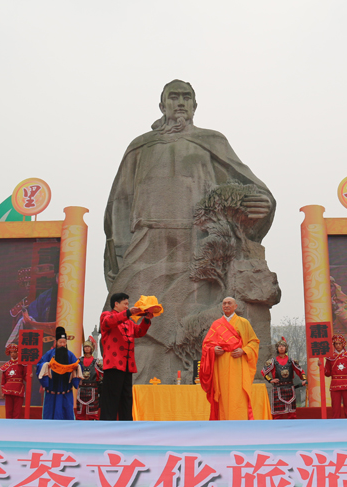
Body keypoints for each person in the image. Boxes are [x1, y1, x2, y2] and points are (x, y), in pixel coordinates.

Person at [104, 80, 279, 384]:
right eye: (174, 97)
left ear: (195, 106)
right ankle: (141, 392)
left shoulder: (211, 141)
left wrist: (261, 203)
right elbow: (119, 206)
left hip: (199, 245)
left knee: (196, 327)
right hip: (146, 244)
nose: (180, 102)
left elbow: (250, 186)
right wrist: (120, 253)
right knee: (141, 326)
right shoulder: (141, 146)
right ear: (162, 105)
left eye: (187, 97)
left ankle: (201, 381)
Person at [200, 297, 260, 420]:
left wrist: (243, 350)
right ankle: (223, 422)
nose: (226, 305)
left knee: (238, 394)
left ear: (235, 306)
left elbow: (254, 341)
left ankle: (240, 422)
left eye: (229, 303)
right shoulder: (216, 324)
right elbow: (206, 345)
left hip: (238, 364)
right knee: (223, 394)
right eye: (224, 303)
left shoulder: (243, 322)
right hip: (221, 366)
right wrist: (213, 350)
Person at [100, 293, 153, 421]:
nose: (127, 306)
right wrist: (128, 313)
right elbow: (109, 322)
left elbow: (139, 332)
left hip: (127, 366)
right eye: (125, 304)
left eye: (127, 304)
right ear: (116, 304)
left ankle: (127, 424)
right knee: (111, 398)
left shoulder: (129, 322)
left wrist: (146, 319)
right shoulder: (106, 315)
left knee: (126, 398)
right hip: (113, 364)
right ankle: (107, 425)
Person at [37, 327, 81, 420]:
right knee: (50, 417)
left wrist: (77, 367)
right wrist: (46, 365)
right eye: (60, 342)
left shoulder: (70, 355)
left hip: (66, 392)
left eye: (64, 342)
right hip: (52, 392)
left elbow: (77, 365)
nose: (62, 344)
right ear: (56, 342)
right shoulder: (49, 354)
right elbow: (39, 365)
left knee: (67, 417)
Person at [260, 337, 306, 419]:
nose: (281, 348)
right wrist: (270, 380)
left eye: (283, 346)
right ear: (277, 348)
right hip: (278, 389)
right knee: (277, 415)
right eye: (279, 346)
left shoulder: (291, 360)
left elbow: (300, 371)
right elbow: (263, 372)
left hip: (290, 389)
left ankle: (292, 427)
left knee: (292, 414)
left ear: (286, 348)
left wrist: (304, 380)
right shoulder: (273, 361)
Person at [324, 334, 347, 419]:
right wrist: (321, 367)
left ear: (343, 344)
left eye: (340, 343)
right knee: (335, 409)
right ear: (334, 345)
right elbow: (327, 374)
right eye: (336, 344)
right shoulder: (330, 357)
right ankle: (336, 425)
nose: (338, 345)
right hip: (335, 385)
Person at [76, 336, 103, 421]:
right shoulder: (79, 361)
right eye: (85, 347)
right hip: (81, 389)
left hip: (93, 389)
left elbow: (101, 375)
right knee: (80, 414)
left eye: (88, 347)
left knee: (93, 415)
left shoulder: (97, 362)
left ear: (92, 348)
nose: (87, 348)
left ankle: (94, 428)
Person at [1, 344, 26, 419]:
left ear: (18, 352)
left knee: (17, 411)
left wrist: (29, 376)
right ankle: (8, 424)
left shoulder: (22, 364)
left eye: (15, 352)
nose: (13, 354)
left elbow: (26, 377)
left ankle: (16, 424)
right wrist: (3, 391)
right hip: (7, 389)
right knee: (8, 410)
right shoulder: (6, 365)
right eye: (11, 352)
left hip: (18, 388)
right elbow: (3, 380)